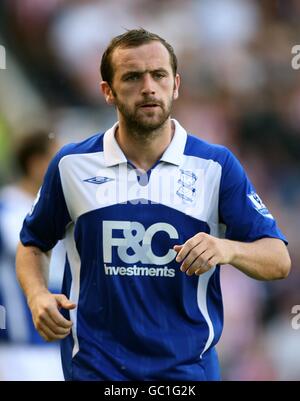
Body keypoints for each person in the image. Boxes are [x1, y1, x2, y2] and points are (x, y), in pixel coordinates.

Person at [16, 29, 291, 381]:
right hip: (96, 373)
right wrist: (38, 295)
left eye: (158, 75)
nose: (148, 87)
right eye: (132, 77)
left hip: (186, 375)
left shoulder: (215, 166)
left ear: (175, 85)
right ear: (108, 92)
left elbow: (278, 260)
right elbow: (32, 243)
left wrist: (227, 249)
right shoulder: (72, 164)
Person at [0, 130, 64, 380]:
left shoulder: (68, 211)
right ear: (36, 164)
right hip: (19, 352)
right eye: (56, 159)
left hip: (66, 347)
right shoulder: (5, 211)